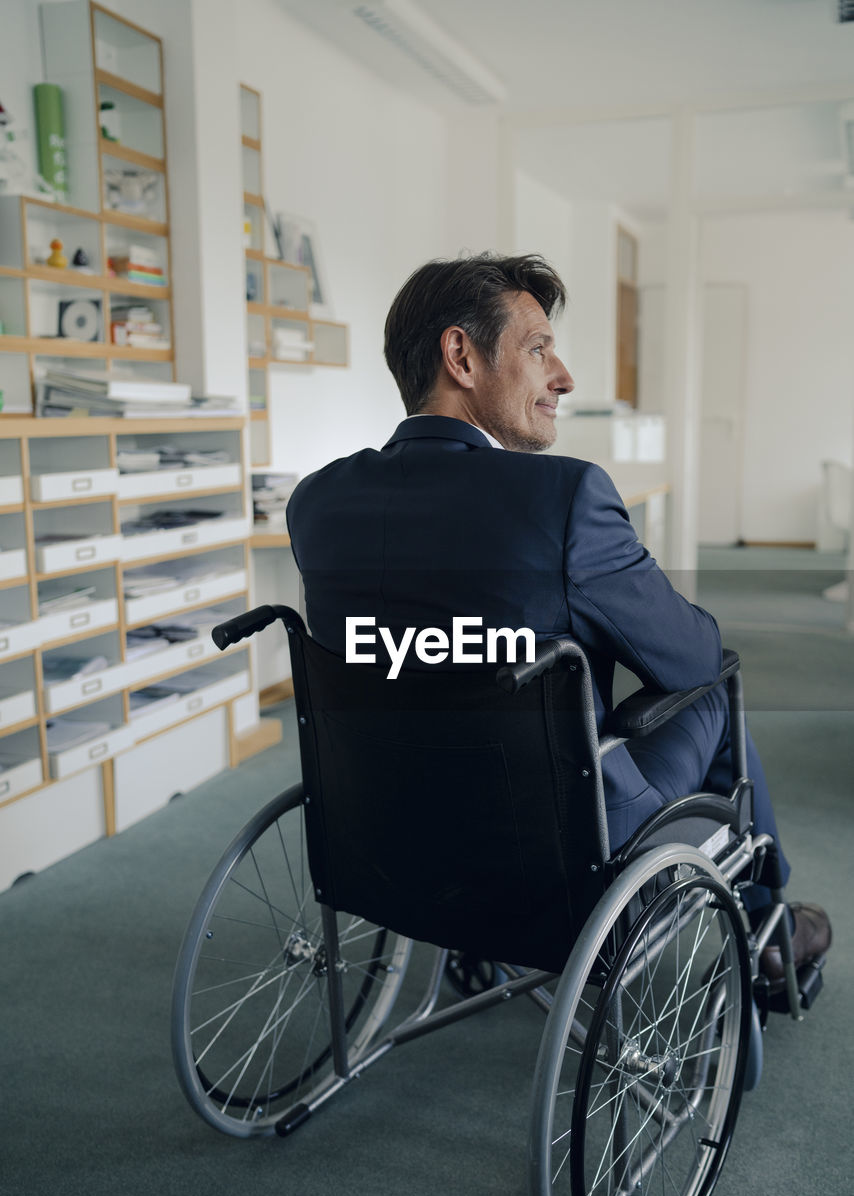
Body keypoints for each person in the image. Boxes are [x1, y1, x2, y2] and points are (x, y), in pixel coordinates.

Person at [286, 251, 830, 983]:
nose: (564, 376)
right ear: (461, 356)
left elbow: (408, 649)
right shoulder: (563, 498)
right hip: (549, 837)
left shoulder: (318, 502)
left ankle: (476, 936)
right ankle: (770, 921)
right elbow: (691, 659)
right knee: (717, 687)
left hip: (385, 826)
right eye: (539, 348)